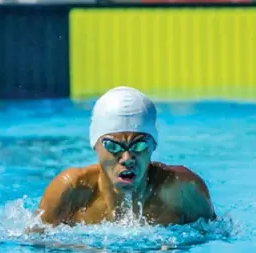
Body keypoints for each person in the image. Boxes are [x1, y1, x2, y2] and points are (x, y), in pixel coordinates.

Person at [35, 86, 216, 227]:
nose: (127, 157)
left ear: (153, 145)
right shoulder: (71, 190)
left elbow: (213, 240)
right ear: (95, 145)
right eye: (113, 146)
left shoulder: (183, 190)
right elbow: (36, 246)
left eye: (139, 145)